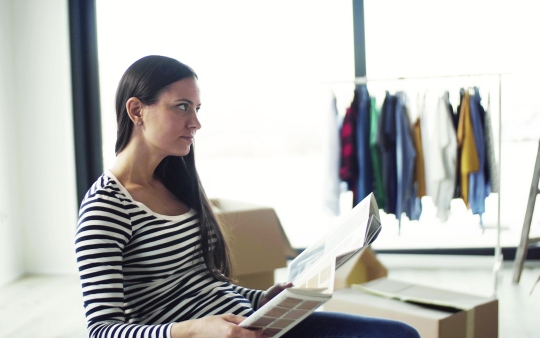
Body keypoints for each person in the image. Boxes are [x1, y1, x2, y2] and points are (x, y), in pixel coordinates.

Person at [75, 55, 420, 338]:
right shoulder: (105, 208)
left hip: (255, 323)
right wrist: (195, 331)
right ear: (136, 111)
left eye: (197, 108)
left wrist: (264, 298)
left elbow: (203, 282)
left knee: (401, 335)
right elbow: (103, 330)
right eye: (182, 107)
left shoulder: (175, 182)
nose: (195, 122)